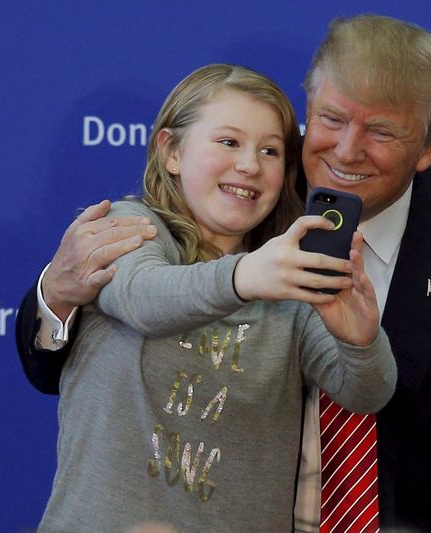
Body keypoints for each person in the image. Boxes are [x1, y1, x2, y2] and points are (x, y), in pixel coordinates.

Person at [17, 15, 431, 532]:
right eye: (331, 119)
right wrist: (58, 296)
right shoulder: (234, 195)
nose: (347, 150)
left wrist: (360, 339)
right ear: (309, 109)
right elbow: (117, 315)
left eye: (382, 132)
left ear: (429, 148)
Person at [34, 63, 396, 532]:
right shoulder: (128, 227)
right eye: (228, 142)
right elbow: (145, 300)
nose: (250, 164)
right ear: (172, 152)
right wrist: (246, 275)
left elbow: (367, 392)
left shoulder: (287, 283)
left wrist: (361, 341)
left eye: (270, 151)